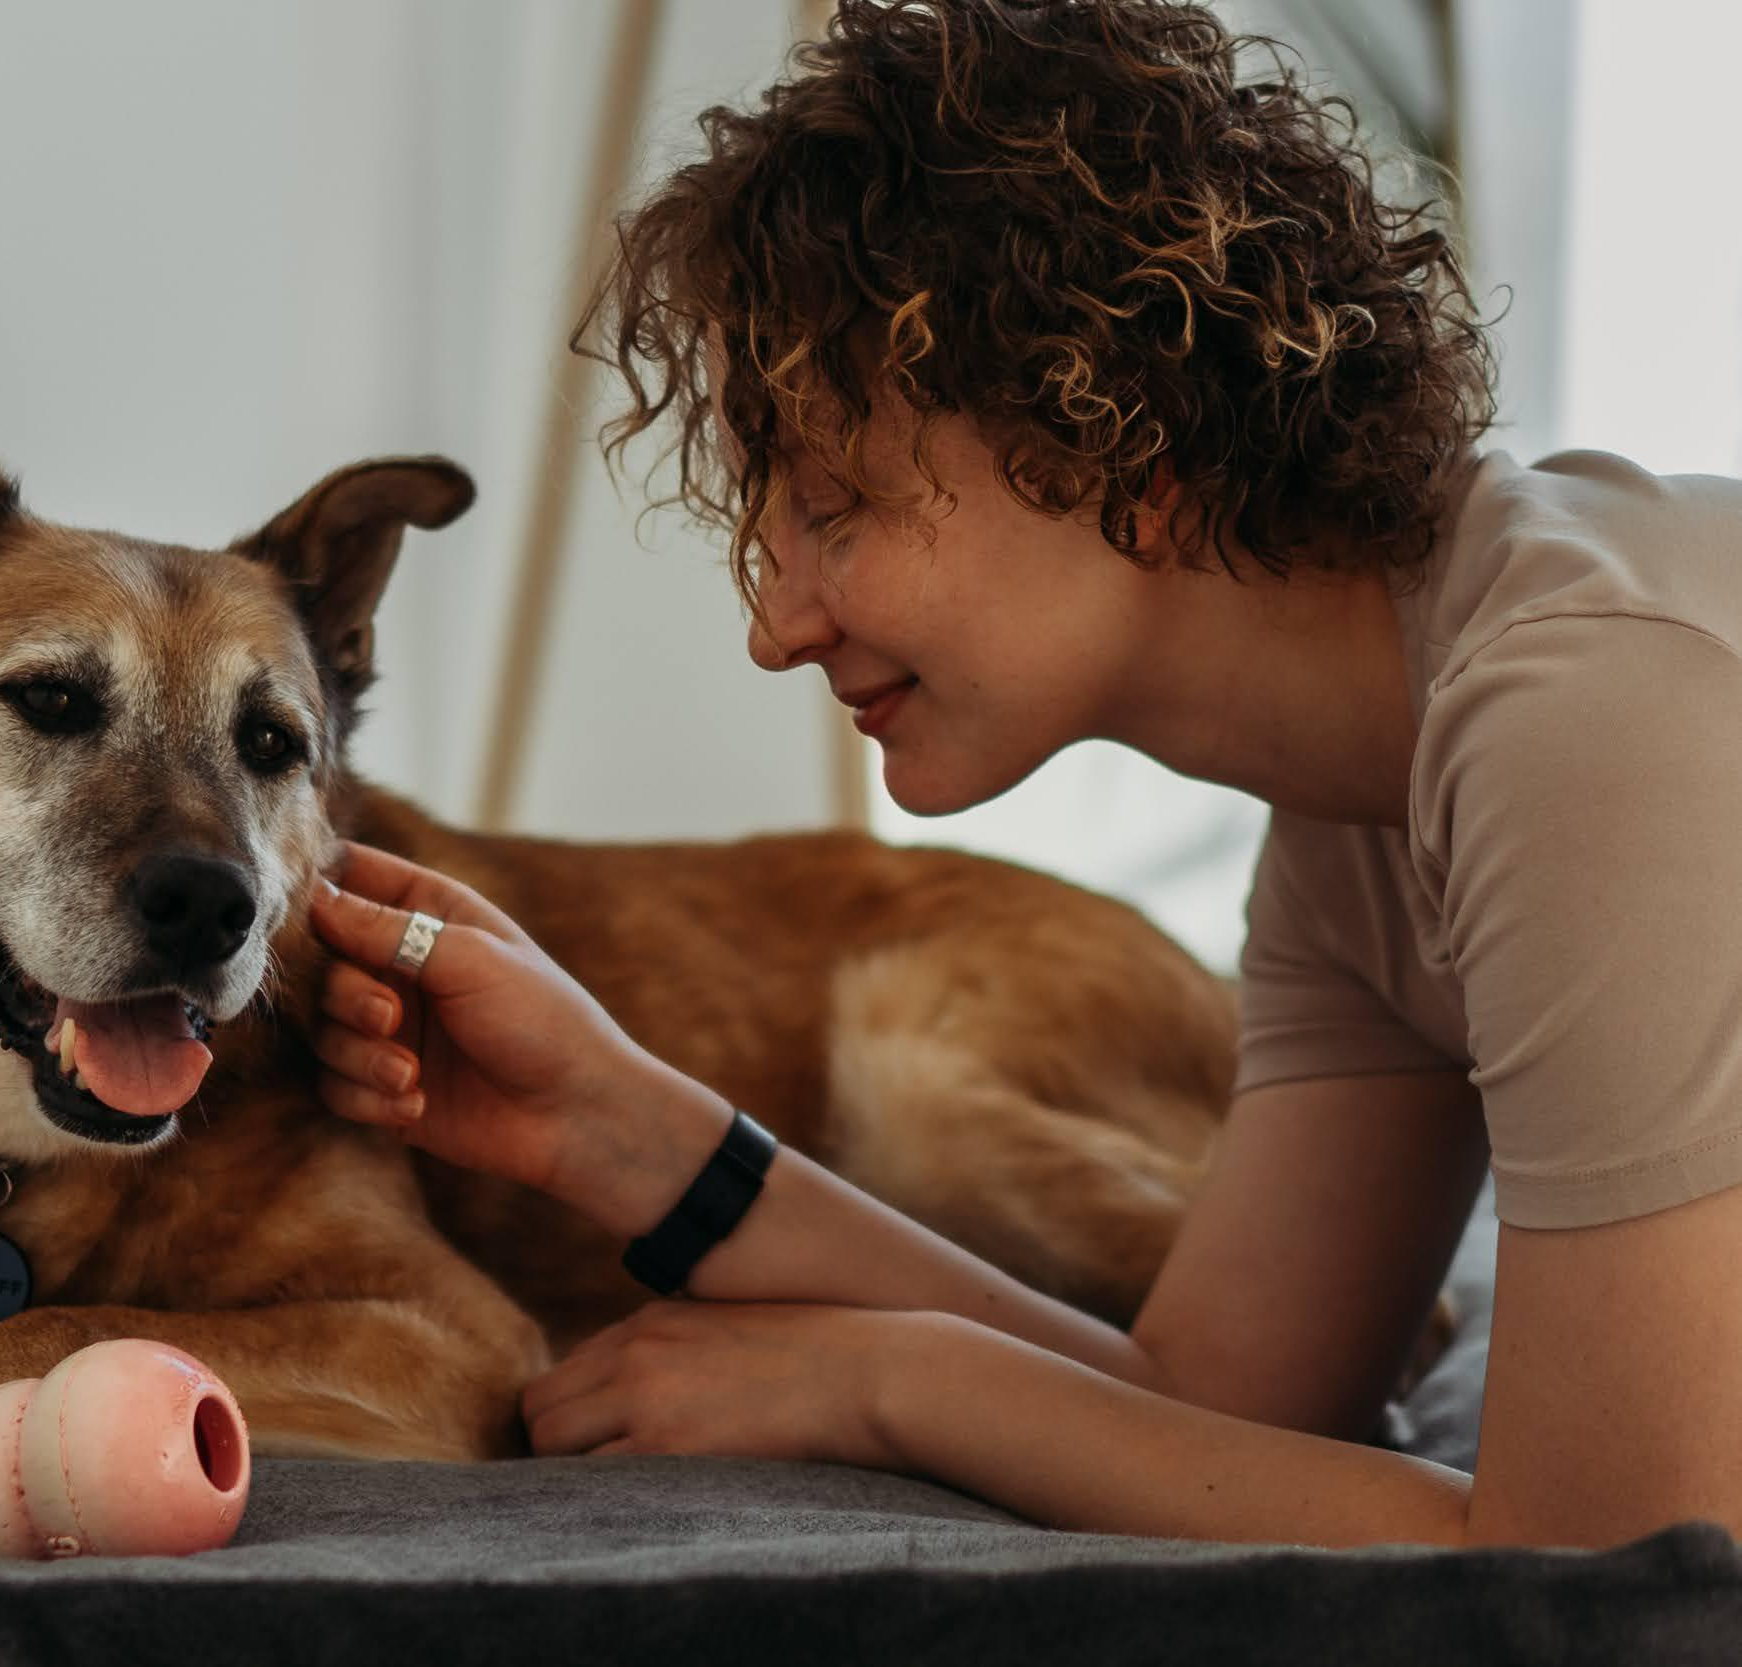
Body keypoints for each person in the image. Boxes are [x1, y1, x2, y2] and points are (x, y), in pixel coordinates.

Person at [302, 0, 1742, 1550]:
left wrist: (891, 1385)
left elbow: (1620, 1564)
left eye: (838, 509)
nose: (775, 627)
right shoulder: (1364, 799)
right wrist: (633, 1133)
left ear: (1116, 427)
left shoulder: (1590, 706)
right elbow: (1217, 1403)